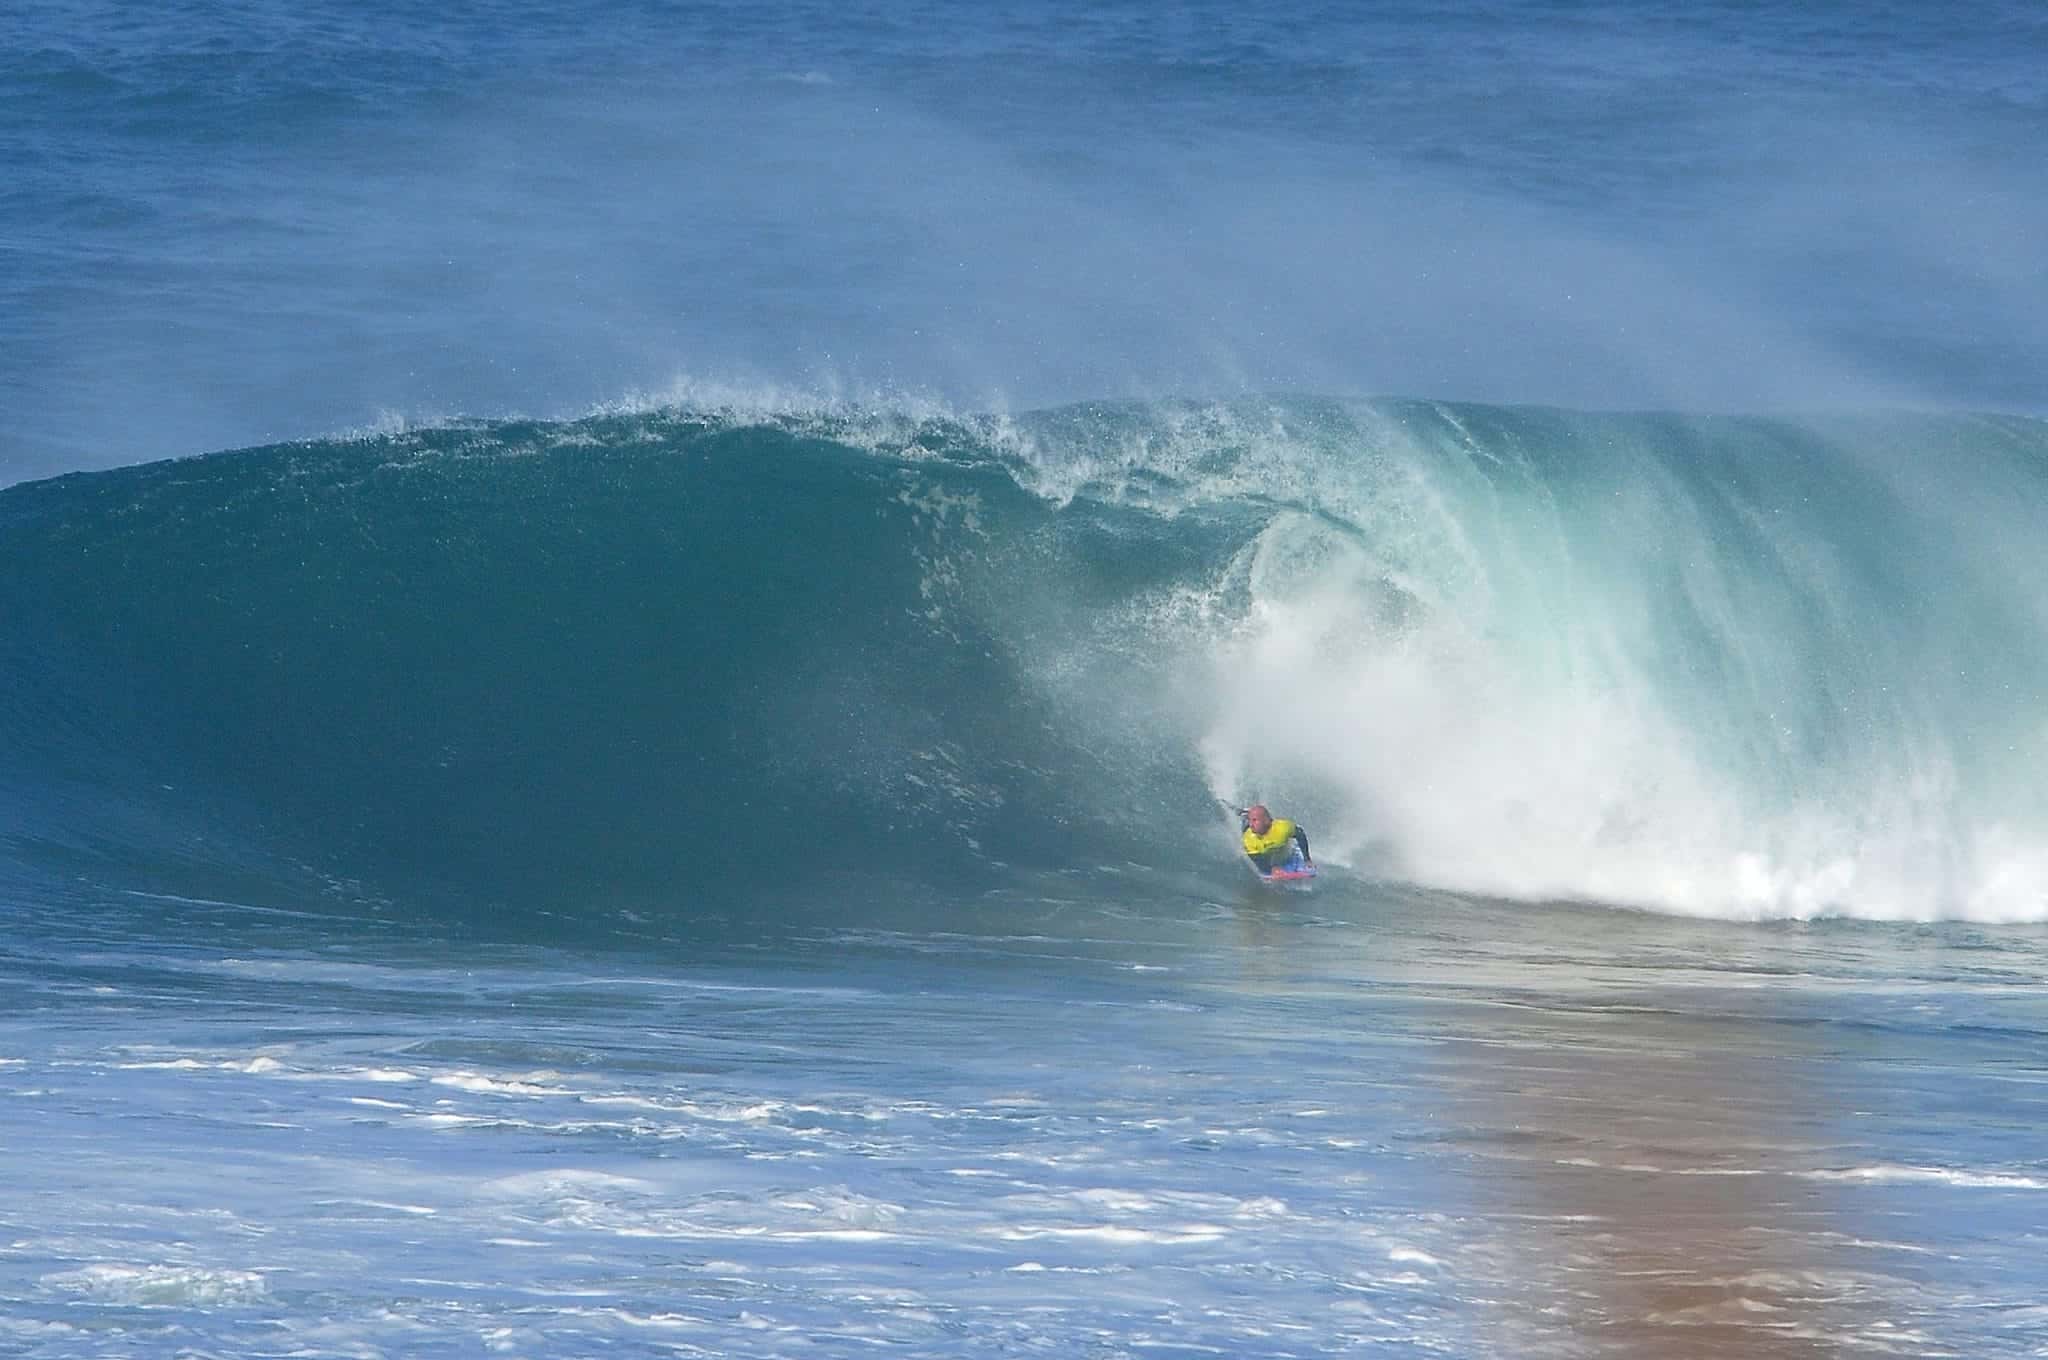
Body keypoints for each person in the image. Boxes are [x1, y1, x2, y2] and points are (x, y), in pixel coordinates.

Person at [1239, 804, 1313, 874]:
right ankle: (1245, 816)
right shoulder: (1248, 839)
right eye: (1250, 820)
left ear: (1266, 820)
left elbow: (1300, 834)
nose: (1251, 824)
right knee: (1246, 827)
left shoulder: (1282, 828)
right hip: (1261, 849)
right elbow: (1258, 862)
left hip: (1274, 841)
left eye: (1255, 820)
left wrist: (1307, 859)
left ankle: (1251, 814)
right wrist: (1271, 869)